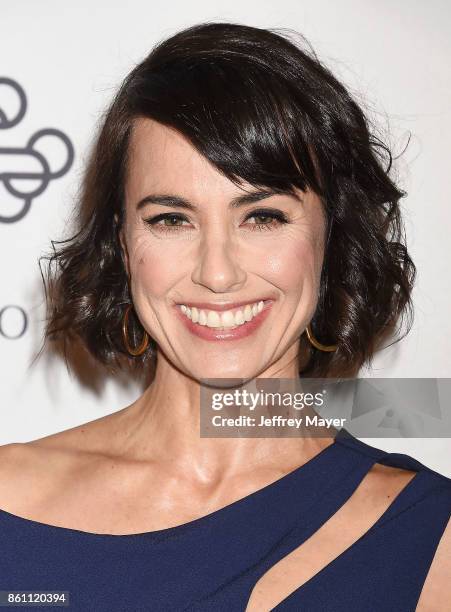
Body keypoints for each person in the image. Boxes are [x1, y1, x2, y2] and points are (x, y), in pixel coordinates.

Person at [0, 21, 449, 611]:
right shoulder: (9, 501)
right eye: (171, 218)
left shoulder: (430, 538)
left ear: (332, 236)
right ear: (124, 244)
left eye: (262, 216)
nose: (218, 274)